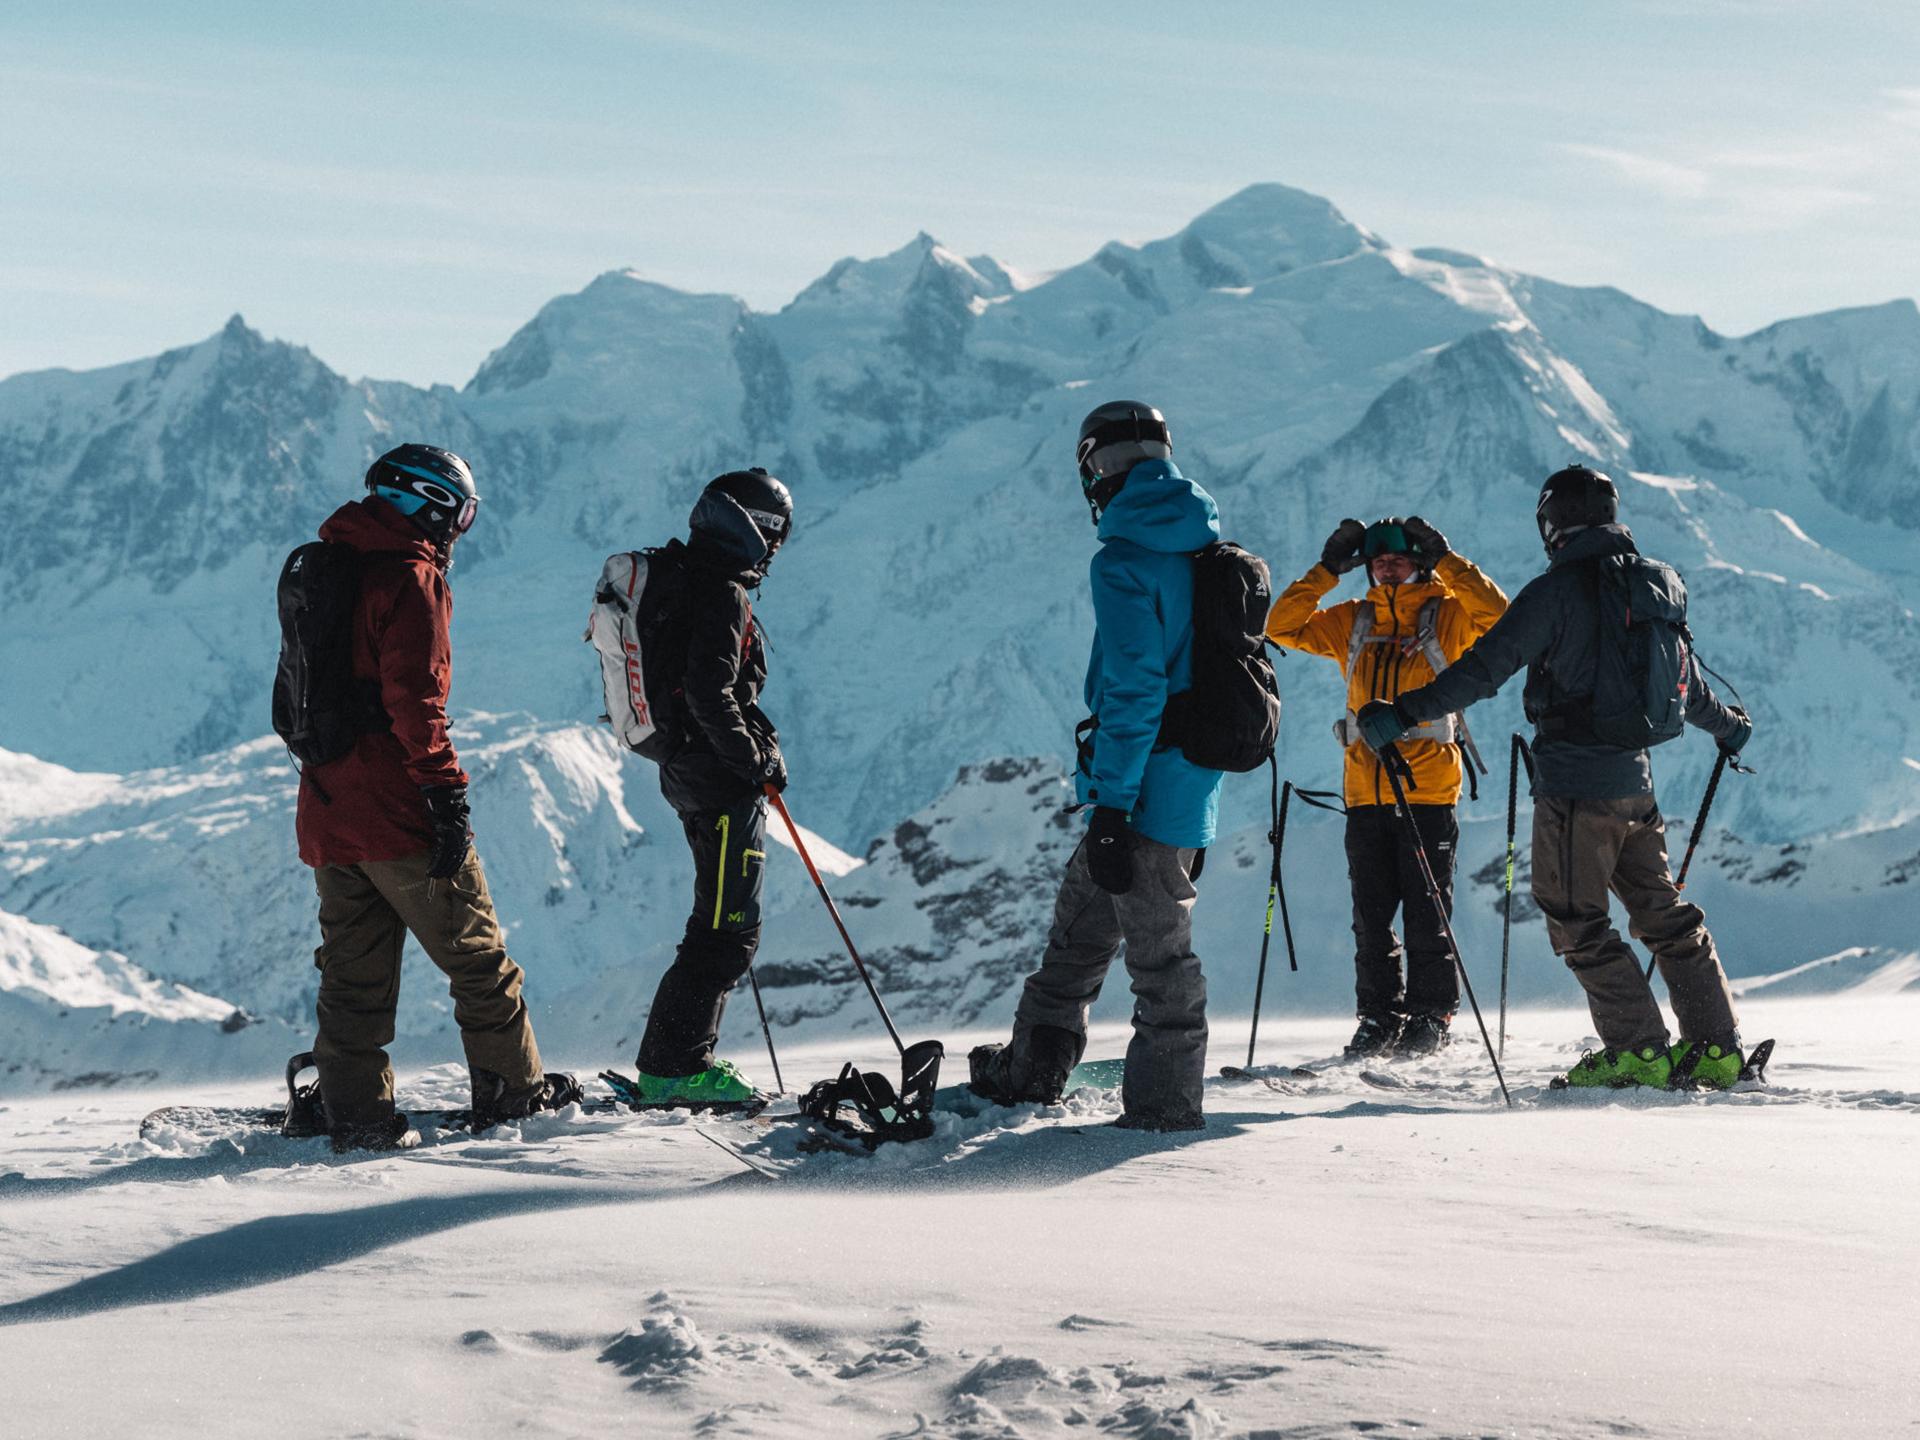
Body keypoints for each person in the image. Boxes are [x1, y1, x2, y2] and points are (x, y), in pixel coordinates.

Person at [1357, 465, 1754, 1088]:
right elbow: (1686, 684)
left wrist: (1403, 713)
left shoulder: (1556, 591)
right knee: (1665, 915)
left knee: (1576, 918)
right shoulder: (1652, 588)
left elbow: (1484, 670)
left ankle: (1638, 1052)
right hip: (1637, 788)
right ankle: (1717, 1048)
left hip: (1574, 787)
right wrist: (1728, 726)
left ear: (1551, 524)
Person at [291, 444, 577, 1151]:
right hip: (396, 808)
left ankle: (354, 1112)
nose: (461, 529)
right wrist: (446, 795)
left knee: (353, 977)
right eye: (463, 513)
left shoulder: (329, 564)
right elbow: (416, 702)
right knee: (479, 961)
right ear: (432, 502)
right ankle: (515, 1097)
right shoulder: (408, 576)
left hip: (327, 807)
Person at [969, 401, 1226, 1131]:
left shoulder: (1124, 560)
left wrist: (1112, 804)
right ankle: (1032, 1068)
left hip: (1142, 790)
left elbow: (1136, 691)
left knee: (1160, 959)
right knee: (1079, 933)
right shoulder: (1203, 549)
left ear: (1095, 469)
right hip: (1189, 787)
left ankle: (1164, 1108)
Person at [1266, 515, 1508, 1058]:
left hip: (1426, 787)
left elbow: (1501, 619)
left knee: (1427, 911)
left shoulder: (1448, 613)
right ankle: (1377, 1016)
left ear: (1419, 564)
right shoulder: (1353, 619)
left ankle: (1430, 1015)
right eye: (1378, 563)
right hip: (1364, 791)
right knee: (1370, 917)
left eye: (1398, 560)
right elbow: (1281, 627)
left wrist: (1449, 562)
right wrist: (1327, 570)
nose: (1387, 569)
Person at [626, 468, 793, 1109]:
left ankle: (676, 1063)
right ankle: (675, 1069)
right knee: (726, 931)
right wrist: (754, 762)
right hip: (719, 782)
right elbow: (710, 694)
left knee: (719, 923)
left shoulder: (684, 580)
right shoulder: (720, 593)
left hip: (688, 772)